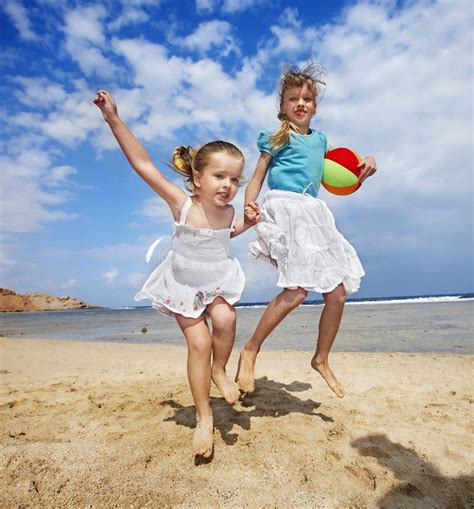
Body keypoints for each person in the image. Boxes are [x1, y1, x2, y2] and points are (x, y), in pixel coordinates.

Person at [93, 90, 259, 458]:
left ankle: (220, 370)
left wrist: (247, 224)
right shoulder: (181, 203)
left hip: (216, 280)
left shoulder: (229, 213)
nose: (228, 185)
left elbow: (225, 237)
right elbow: (143, 165)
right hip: (183, 285)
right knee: (198, 343)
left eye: (234, 179)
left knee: (226, 316)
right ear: (197, 178)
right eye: (219, 176)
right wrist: (113, 119)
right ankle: (204, 417)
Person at [236, 64, 377, 398]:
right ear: (283, 105)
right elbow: (257, 175)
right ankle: (251, 349)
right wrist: (249, 204)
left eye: (307, 99)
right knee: (297, 291)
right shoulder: (276, 135)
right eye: (293, 98)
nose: (300, 103)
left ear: (315, 106)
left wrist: (366, 163)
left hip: (314, 213)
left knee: (337, 294)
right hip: (285, 207)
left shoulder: (321, 140)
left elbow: (341, 171)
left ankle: (321, 359)